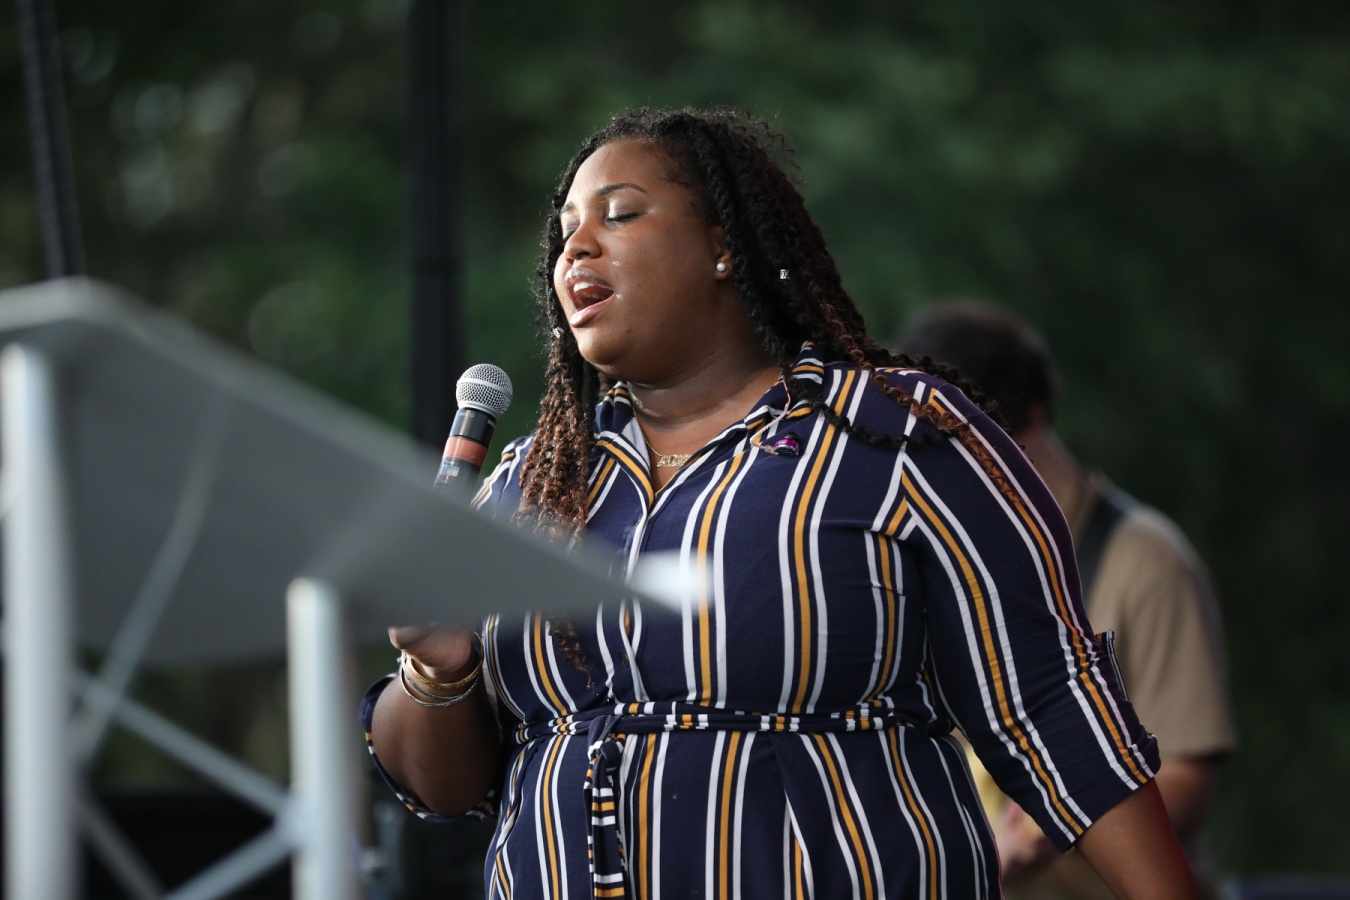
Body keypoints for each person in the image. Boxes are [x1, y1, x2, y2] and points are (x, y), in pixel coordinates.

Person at [362, 107, 1199, 898]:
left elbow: (1050, 704)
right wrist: (437, 666)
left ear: (724, 245)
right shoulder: (530, 485)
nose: (575, 246)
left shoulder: (892, 434)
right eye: (565, 230)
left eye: (619, 215)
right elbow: (445, 791)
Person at [895, 301, 1237, 899]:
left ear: (1032, 419)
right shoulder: (933, 550)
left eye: (978, 443)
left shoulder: (1148, 561)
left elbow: (1187, 777)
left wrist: (1046, 831)